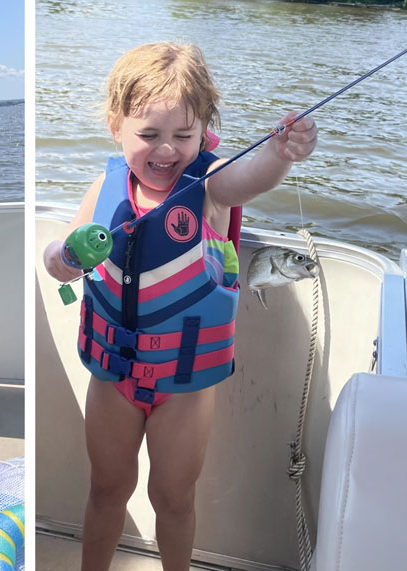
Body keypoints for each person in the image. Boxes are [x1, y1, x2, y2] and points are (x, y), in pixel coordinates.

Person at [43, 42, 317, 571]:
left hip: (183, 390)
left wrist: (279, 154)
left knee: (172, 499)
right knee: (106, 491)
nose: (165, 150)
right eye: (148, 135)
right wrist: (64, 256)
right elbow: (61, 259)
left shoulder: (211, 186)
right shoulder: (104, 187)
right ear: (115, 126)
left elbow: (250, 178)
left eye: (182, 135)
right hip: (113, 379)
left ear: (203, 132)